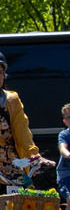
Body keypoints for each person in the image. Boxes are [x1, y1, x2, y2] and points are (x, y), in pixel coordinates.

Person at [0, 52, 41, 181]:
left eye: (0, 72)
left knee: (23, 197)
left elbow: (22, 131)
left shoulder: (11, 99)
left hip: (11, 164)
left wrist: (34, 155)